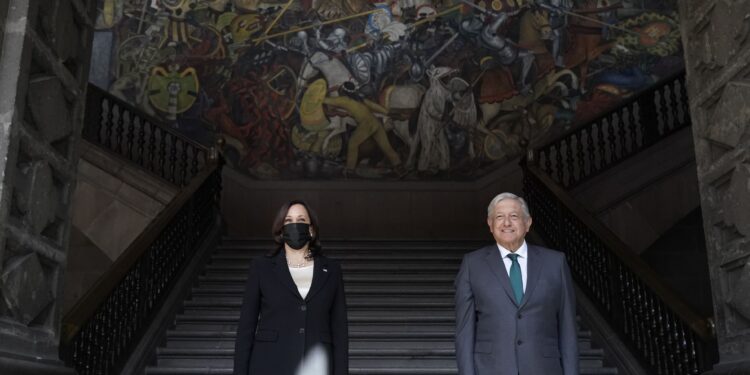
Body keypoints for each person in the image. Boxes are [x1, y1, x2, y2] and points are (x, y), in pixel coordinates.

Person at [454, 192, 578, 375]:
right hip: (491, 369)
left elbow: (568, 329)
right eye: (499, 217)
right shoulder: (473, 265)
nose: (506, 223)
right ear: (490, 225)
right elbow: (464, 332)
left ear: (527, 223)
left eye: (513, 216)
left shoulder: (555, 263)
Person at [234, 200, 348, 375]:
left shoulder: (331, 269)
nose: (294, 224)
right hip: (269, 363)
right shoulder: (261, 267)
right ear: (280, 229)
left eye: (301, 219)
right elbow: (245, 329)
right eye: (288, 221)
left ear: (311, 229)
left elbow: (339, 331)